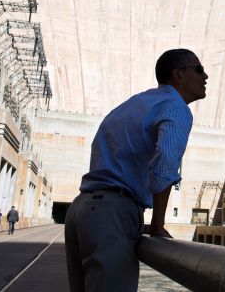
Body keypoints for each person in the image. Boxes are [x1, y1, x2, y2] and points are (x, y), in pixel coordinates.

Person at [64, 48, 207, 292]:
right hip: (113, 214)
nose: (205, 77)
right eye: (199, 69)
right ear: (179, 75)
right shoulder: (176, 108)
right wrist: (158, 223)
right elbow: (165, 163)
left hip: (81, 211)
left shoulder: (136, 103)